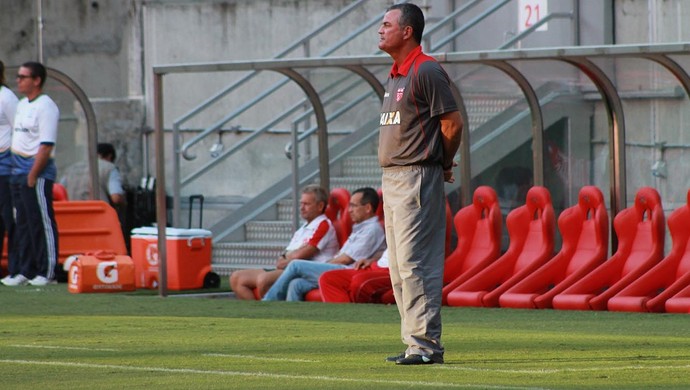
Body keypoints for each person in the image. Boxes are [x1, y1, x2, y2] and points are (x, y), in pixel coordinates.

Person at [377, 3, 463, 365]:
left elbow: (452, 123)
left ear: (407, 31)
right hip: (392, 178)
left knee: (415, 264)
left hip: (416, 175)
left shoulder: (426, 69)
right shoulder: (396, 74)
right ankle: (415, 341)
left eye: (386, 25)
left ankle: (427, 346)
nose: (380, 30)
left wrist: (442, 163)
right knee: (398, 266)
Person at [262, 187, 386, 302]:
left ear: (368, 208)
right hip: (341, 268)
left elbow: (344, 260)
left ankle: (267, 302)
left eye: (354, 206)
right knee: (296, 284)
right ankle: (292, 321)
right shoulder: (360, 227)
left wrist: (317, 267)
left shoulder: (372, 229)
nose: (349, 210)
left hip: (348, 271)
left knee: (296, 265)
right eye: (349, 206)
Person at [2, 61, 60, 286]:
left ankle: (48, 271)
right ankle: (26, 270)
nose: (18, 80)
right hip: (16, 172)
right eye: (18, 76)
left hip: (35, 173)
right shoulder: (23, 105)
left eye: (23, 77)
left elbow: (45, 145)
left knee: (40, 221)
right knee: (22, 222)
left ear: (36, 80)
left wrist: (33, 173)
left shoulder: (46, 106)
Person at [229, 184, 339, 299]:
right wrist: (288, 256)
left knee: (264, 280)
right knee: (236, 278)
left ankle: (271, 312)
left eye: (306, 204)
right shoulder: (303, 228)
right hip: (286, 268)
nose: (302, 207)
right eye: (301, 203)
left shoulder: (324, 225)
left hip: (305, 272)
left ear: (320, 206)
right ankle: (255, 313)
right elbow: (285, 254)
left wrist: (289, 256)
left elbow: (301, 255)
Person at [60, 142, 126, 207]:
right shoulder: (110, 168)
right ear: (110, 156)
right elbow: (116, 198)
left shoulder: (71, 168)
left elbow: (59, 192)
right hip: (97, 213)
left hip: (72, 212)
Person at [0, 60, 18, 282]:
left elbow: (19, 131)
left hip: (5, 165)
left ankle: (17, 267)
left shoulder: (7, 98)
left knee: (8, 219)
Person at [319, 249, 391, 304]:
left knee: (360, 281)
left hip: (394, 272)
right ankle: (340, 317)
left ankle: (355, 316)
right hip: (376, 266)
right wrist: (373, 259)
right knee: (328, 278)